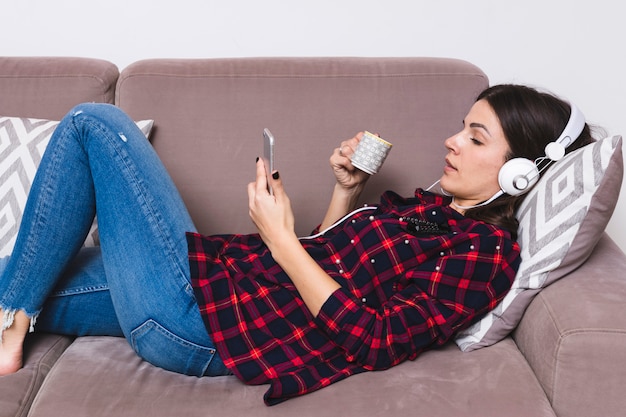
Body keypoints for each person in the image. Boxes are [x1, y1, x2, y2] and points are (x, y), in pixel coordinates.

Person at [0, 84, 594, 404]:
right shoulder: (435, 212)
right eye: (462, 127)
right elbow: (326, 267)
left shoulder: (485, 256)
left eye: (475, 136)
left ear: (521, 171)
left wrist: (280, 238)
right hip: (219, 288)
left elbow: (374, 338)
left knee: (92, 122)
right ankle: (16, 309)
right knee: (29, 267)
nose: (452, 141)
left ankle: (13, 318)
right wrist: (345, 192)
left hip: (200, 324)